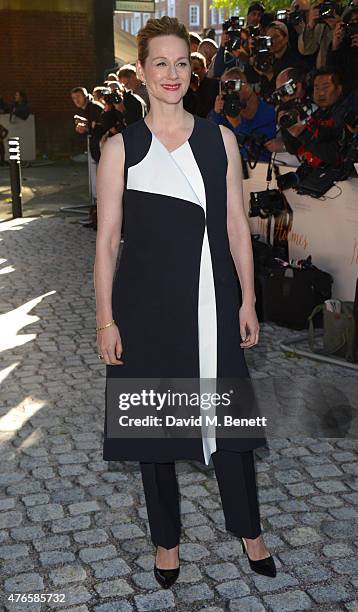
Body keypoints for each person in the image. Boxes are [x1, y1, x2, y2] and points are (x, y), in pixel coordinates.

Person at [94, 15, 276, 591]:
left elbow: (237, 229)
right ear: (142, 74)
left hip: (214, 301)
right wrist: (105, 318)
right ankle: (166, 543)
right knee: (155, 428)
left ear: (190, 71)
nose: (172, 74)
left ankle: (249, 531)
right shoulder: (122, 146)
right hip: (145, 307)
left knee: (230, 421)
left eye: (181, 63)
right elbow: (106, 242)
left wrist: (248, 299)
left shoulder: (219, 138)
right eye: (160, 64)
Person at [208, 67, 276, 163]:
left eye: (234, 86)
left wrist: (238, 126)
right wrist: (216, 114)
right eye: (225, 88)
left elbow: (259, 155)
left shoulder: (269, 112)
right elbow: (212, 143)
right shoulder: (226, 111)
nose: (230, 92)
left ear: (248, 87)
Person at [283, 67, 346, 167]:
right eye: (317, 88)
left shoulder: (345, 116)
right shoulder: (316, 114)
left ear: (339, 89)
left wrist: (304, 134)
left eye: (326, 87)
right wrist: (288, 129)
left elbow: (335, 156)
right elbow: (293, 149)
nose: (321, 93)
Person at [298, 0, 342, 67]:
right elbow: (307, 50)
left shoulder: (348, 15)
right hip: (323, 71)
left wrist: (336, 27)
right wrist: (310, 25)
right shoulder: (320, 22)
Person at [326, 5, 358, 94]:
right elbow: (330, 72)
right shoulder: (342, 44)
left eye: (357, 22)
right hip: (346, 96)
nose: (354, 26)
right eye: (351, 23)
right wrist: (335, 46)